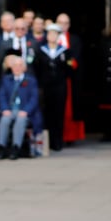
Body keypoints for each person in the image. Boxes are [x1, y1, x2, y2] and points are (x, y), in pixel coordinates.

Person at [35, 24, 74, 152]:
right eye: (50, 34)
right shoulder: (41, 50)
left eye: (55, 34)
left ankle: (58, 141)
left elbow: (70, 69)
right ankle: (47, 141)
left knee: (59, 113)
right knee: (47, 113)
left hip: (60, 86)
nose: (52, 36)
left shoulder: (65, 51)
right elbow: (37, 69)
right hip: (46, 87)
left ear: (58, 36)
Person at [0, 54, 38, 159]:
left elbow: (34, 98)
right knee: (5, 120)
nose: (17, 68)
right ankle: (1, 147)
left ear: (24, 68)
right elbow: (2, 96)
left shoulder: (31, 81)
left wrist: (26, 111)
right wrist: (5, 109)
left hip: (24, 111)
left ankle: (16, 147)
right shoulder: (6, 79)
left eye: (20, 65)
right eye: (15, 65)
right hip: (10, 109)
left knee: (20, 120)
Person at [55, 13, 86, 145]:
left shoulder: (74, 40)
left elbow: (75, 59)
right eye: (60, 23)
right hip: (54, 80)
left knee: (70, 110)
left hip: (70, 79)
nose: (63, 26)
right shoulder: (51, 38)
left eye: (66, 23)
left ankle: (70, 137)